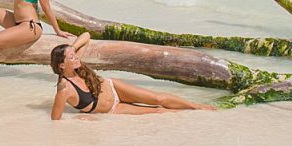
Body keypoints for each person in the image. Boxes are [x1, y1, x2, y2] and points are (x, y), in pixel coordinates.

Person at [50, 32, 217, 119]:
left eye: (74, 55)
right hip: (112, 109)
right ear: (62, 65)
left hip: (114, 88)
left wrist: (71, 48)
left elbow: (86, 36)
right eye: (71, 57)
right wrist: (79, 119)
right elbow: (55, 120)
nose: (75, 57)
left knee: (158, 99)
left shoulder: (76, 62)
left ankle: (197, 106)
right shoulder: (64, 89)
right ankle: (191, 117)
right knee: (158, 113)